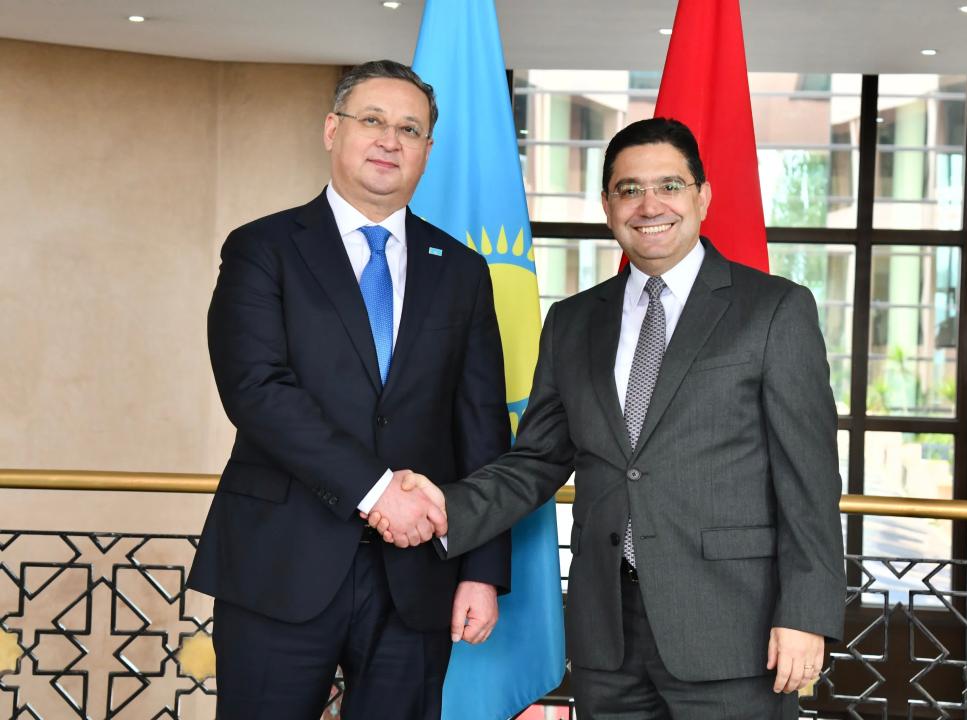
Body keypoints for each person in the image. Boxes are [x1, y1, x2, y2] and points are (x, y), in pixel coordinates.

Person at [370, 117, 846, 719]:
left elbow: (809, 480)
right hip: (607, 635)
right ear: (607, 205)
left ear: (702, 197)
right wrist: (444, 507)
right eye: (629, 189)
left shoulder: (774, 310)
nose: (650, 205)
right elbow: (536, 461)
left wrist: (805, 614)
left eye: (669, 186)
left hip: (734, 630)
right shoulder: (572, 322)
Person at [187, 60, 511, 720]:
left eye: (409, 129)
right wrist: (378, 490)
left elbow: (482, 427)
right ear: (333, 130)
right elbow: (256, 390)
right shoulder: (262, 248)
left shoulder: (462, 270)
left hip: (418, 577)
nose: (390, 140)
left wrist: (481, 569)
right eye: (373, 120)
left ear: (427, 150)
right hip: (281, 561)